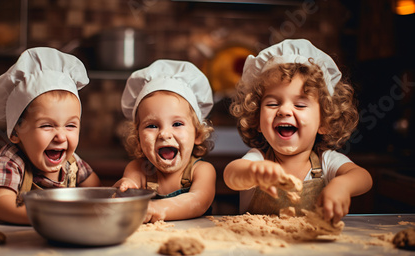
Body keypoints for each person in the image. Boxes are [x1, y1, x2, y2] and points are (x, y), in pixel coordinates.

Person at [223, 39, 372, 224]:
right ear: (257, 120)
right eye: (272, 103)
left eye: (300, 104)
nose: (284, 111)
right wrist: (253, 172)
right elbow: (231, 175)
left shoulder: (327, 162)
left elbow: (363, 177)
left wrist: (342, 185)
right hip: (258, 250)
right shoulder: (257, 160)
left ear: (324, 122)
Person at [0, 47, 101, 224]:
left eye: (70, 125)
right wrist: (46, 217)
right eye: (47, 126)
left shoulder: (73, 163)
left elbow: (98, 191)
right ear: (16, 132)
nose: (61, 137)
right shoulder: (10, 161)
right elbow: (2, 206)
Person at [114, 59, 216, 223]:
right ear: (138, 138)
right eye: (152, 126)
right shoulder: (139, 170)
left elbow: (199, 202)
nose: (164, 134)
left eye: (177, 124)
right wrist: (125, 188)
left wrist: (157, 209)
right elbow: (127, 190)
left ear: (197, 134)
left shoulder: (202, 170)